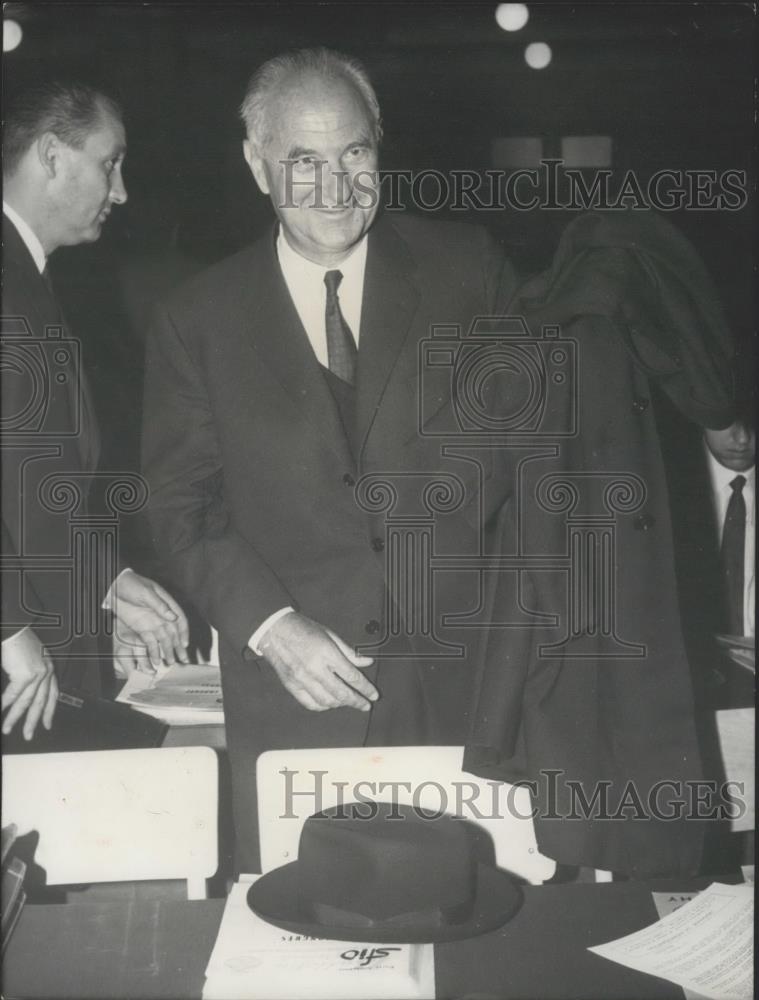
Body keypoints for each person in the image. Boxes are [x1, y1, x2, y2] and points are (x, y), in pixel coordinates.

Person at [142, 47, 515, 870]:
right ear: (256, 164)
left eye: (355, 153)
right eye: (302, 161)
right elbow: (178, 505)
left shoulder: (469, 271)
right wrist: (272, 629)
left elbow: (533, 470)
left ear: (379, 146)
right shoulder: (194, 319)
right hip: (293, 700)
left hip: (464, 689)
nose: (336, 187)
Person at [1, 80, 190, 742]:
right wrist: (9, 625)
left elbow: (30, 489)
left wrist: (108, 586)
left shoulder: (31, 278)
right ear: (52, 157)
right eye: (110, 163)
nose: (122, 191)